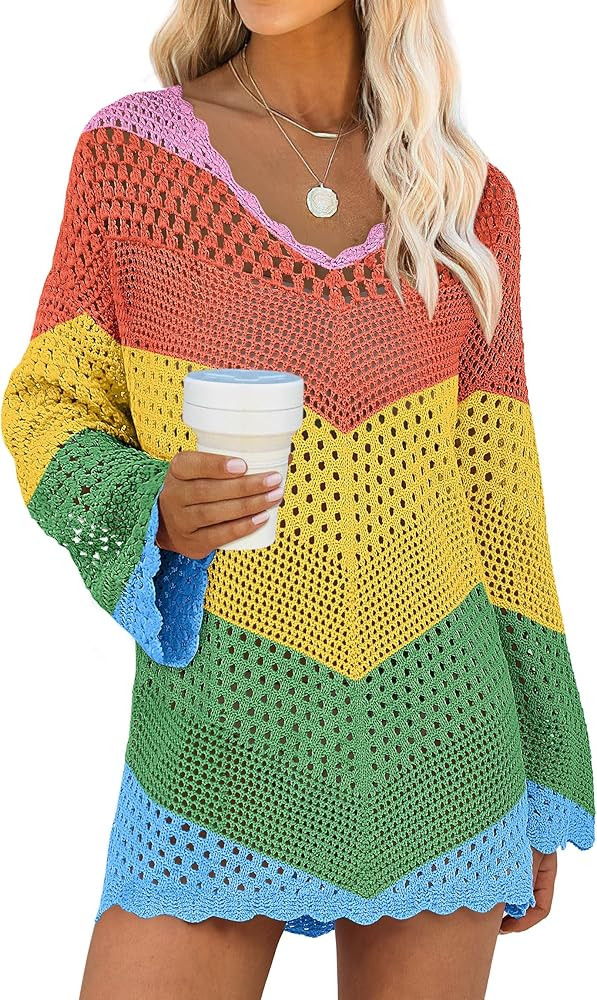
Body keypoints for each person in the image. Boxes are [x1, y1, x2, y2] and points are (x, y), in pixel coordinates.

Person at [2, 2, 594, 998]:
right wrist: (150, 504)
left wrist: (545, 772)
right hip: (217, 747)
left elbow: (499, 502)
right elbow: (47, 403)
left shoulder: (464, 197)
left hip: (444, 748)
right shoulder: (133, 160)